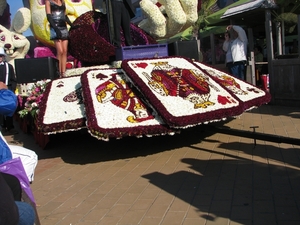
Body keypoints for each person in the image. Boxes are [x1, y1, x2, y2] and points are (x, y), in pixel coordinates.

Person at [45, 0, 75, 78]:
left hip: (63, 27)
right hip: (55, 27)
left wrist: (72, 25)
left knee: (65, 51)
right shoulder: (48, 2)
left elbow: (64, 16)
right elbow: (49, 17)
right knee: (60, 51)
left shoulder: (63, 2)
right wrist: (55, 28)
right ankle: (58, 72)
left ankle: (63, 72)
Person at [0, 47, 18, 135]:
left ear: (3, 57)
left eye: (0, 56)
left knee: (8, 109)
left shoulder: (8, 66)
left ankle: (10, 127)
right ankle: (2, 127)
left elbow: (13, 79)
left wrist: (11, 90)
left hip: (7, 91)